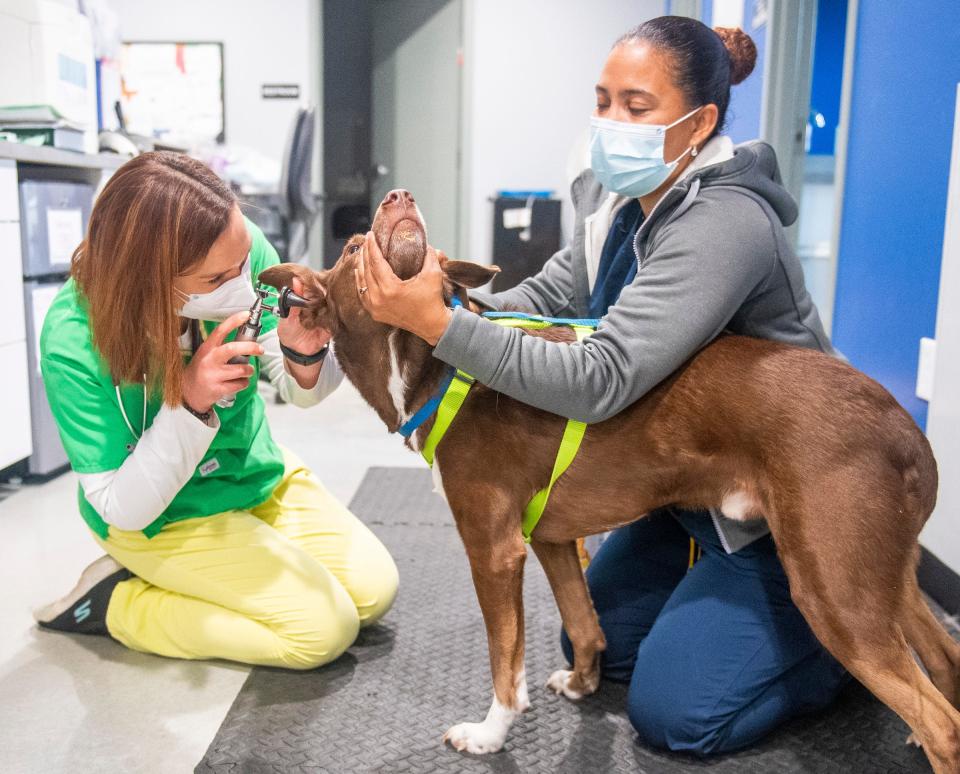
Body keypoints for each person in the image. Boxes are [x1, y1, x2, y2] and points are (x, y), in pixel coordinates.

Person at [356, 16, 849, 755]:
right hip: (679, 490)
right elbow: (542, 305)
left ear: (700, 122)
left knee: (676, 715)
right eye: (603, 100)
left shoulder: (726, 222)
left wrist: (438, 327)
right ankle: (719, 599)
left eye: (637, 107)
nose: (610, 123)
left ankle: (840, 646)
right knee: (602, 652)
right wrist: (445, 301)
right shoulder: (618, 203)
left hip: (778, 504)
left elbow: (601, 376)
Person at [35, 152, 398, 670]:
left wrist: (303, 352)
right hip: (161, 516)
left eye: (243, 264)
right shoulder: (73, 340)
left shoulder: (234, 245)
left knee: (374, 593)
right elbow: (124, 506)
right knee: (321, 632)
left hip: (252, 473)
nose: (245, 288)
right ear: (148, 279)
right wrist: (190, 399)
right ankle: (115, 604)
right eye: (215, 281)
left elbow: (300, 393)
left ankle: (218, 566)